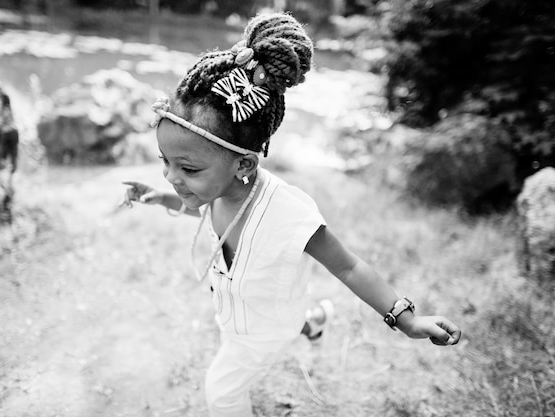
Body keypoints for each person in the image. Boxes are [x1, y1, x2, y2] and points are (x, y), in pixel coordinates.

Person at [121, 12, 461, 417]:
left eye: (187, 169)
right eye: (165, 161)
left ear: (244, 165)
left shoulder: (288, 214)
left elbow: (349, 267)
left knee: (222, 391)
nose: (172, 176)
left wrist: (405, 319)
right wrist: (161, 198)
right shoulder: (213, 189)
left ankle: (302, 323)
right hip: (256, 310)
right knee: (285, 307)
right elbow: (199, 209)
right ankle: (313, 320)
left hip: (257, 334)